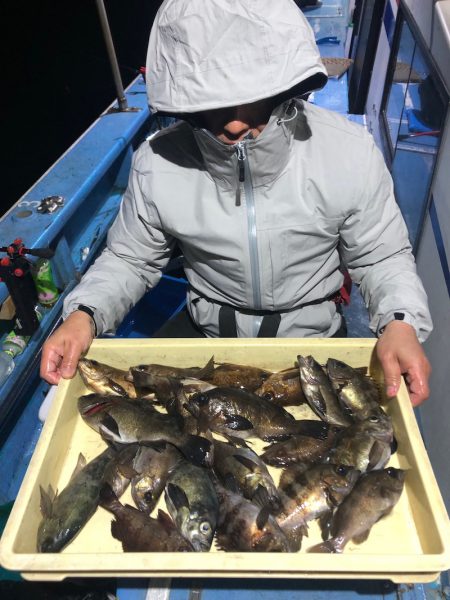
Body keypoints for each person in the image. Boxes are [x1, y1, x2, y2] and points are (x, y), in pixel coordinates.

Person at [40, 0, 432, 406]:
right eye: (211, 104)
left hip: (312, 346)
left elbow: (380, 257)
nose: (233, 123)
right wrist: (83, 314)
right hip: (206, 339)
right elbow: (130, 259)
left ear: (286, 87)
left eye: (254, 98)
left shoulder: (348, 151)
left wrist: (399, 322)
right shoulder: (156, 162)